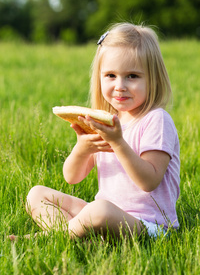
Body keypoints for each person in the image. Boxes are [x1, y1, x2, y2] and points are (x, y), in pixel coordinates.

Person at [25, 23, 180, 239]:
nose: (120, 85)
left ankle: (51, 238)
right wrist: (82, 148)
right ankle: (74, 235)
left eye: (132, 76)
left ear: (153, 79)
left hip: (150, 226)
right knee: (37, 194)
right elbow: (71, 177)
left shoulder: (157, 120)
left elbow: (149, 181)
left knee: (99, 210)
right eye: (110, 75)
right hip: (105, 216)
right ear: (99, 77)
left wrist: (118, 143)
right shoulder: (105, 121)